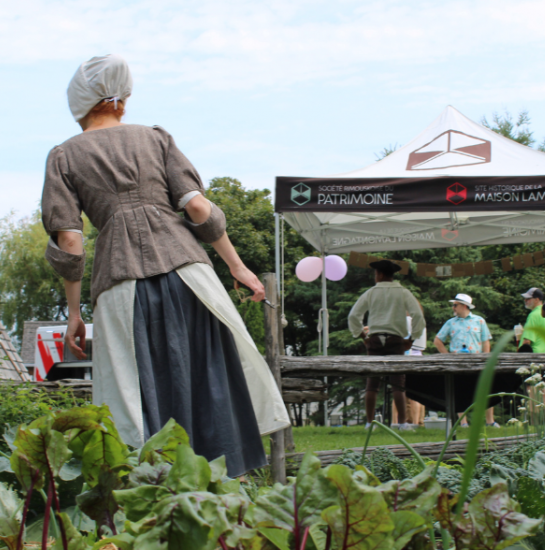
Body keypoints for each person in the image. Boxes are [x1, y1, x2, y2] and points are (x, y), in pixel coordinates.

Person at [41, 54, 289, 477]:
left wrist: (74, 313)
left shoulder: (64, 156)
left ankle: (151, 486)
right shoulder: (156, 138)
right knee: (208, 374)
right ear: (124, 98)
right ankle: (221, 489)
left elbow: (69, 240)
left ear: (79, 103)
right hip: (189, 272)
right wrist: (237, 267)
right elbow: (196, 206)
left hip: (121, 282)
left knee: (134, 387)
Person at [348, 260, 425, 430]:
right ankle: (403, 423)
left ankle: (369, 422)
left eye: (375, 274)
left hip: (375, 339)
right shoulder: (404, 293)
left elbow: (353, 316)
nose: (375, 277)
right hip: (396, 340)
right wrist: (412, 339)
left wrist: (363, 336)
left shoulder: (371, 293)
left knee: (372, 383)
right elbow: (418, 316)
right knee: (398, 383)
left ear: (380, 274)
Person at [433, 293, 499, 427]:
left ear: (464, 306)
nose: (453, 308)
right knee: (460, 391)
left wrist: (485, 359)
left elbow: (485, 341)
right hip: (457, 362)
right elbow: (437, 341)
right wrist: (448, 357)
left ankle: (490, 422)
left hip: (477, 361)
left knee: (485, 390)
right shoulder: (450, 323)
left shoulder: (479, 321)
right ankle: (463, 423)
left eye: (455, 305)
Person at [517, 288, 545, 353]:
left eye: (528, 299)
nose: (525, 300)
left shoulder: (533, 315)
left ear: (537, 299)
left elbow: (527, 341)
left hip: (534, 356)